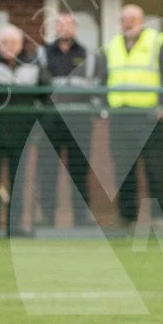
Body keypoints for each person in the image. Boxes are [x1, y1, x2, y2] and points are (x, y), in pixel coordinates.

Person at [96, 4, 163, 230]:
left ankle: (159, 217)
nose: (128, 23)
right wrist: (104, 107)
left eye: (132, 18)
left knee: (155, 168)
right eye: (124, 19)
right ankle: (127, 217)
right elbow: (102, 80)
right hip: (120, 117)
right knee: (123, 170)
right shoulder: (111, 47)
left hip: (149, 118)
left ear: (142, 20)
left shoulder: (157, 42)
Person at [0, 25, 51, 237]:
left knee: (17, 183)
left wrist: (40, 127)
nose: (8, 47)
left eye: (13, 43)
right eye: (4, 43)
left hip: (22, 134)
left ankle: (14, 229)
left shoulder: (35, 66)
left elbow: (47, 98)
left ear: (21, 44)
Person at [41, 12, 97, 228]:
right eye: (60, 25)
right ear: (56, 28)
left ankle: (81, 218)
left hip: (80, 120)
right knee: (48, 169)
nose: (65, 28)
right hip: (51, 120)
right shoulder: (43, 53)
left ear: (75, 28)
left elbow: (95, 85)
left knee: (79, 170)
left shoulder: (88, 54)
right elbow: (41, 84)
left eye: (69, 25)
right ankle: (47, 217)